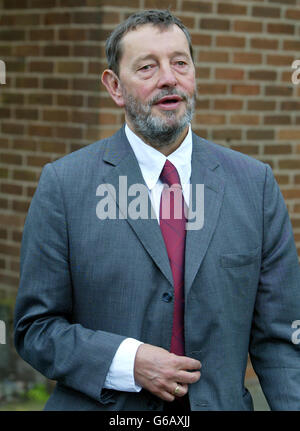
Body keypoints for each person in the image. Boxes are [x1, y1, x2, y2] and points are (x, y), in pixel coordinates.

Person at [14, 9, 300, 411]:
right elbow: (35, 329)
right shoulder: (64, 186)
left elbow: (281, 339)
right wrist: (127, 362)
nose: (169, 78)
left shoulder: (255, 185)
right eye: (147, 67)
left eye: (180, 63)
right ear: (115, 87)